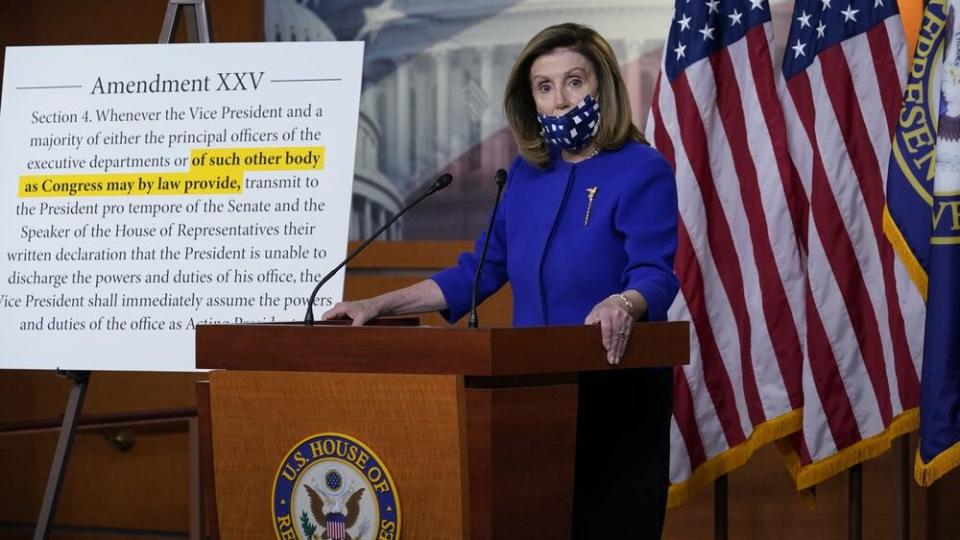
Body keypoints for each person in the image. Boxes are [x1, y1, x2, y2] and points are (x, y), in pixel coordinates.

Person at [323, 22, 679, 538]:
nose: (560, 100)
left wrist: (623, 303)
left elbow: (654, 272)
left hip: (615, 394)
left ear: (602, 84)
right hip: (531, 397)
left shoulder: (641, 168)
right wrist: (377, 305)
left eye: (574, 81)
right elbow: (478, 270)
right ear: (530, 101)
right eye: (545, 87)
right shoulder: (526, 175)